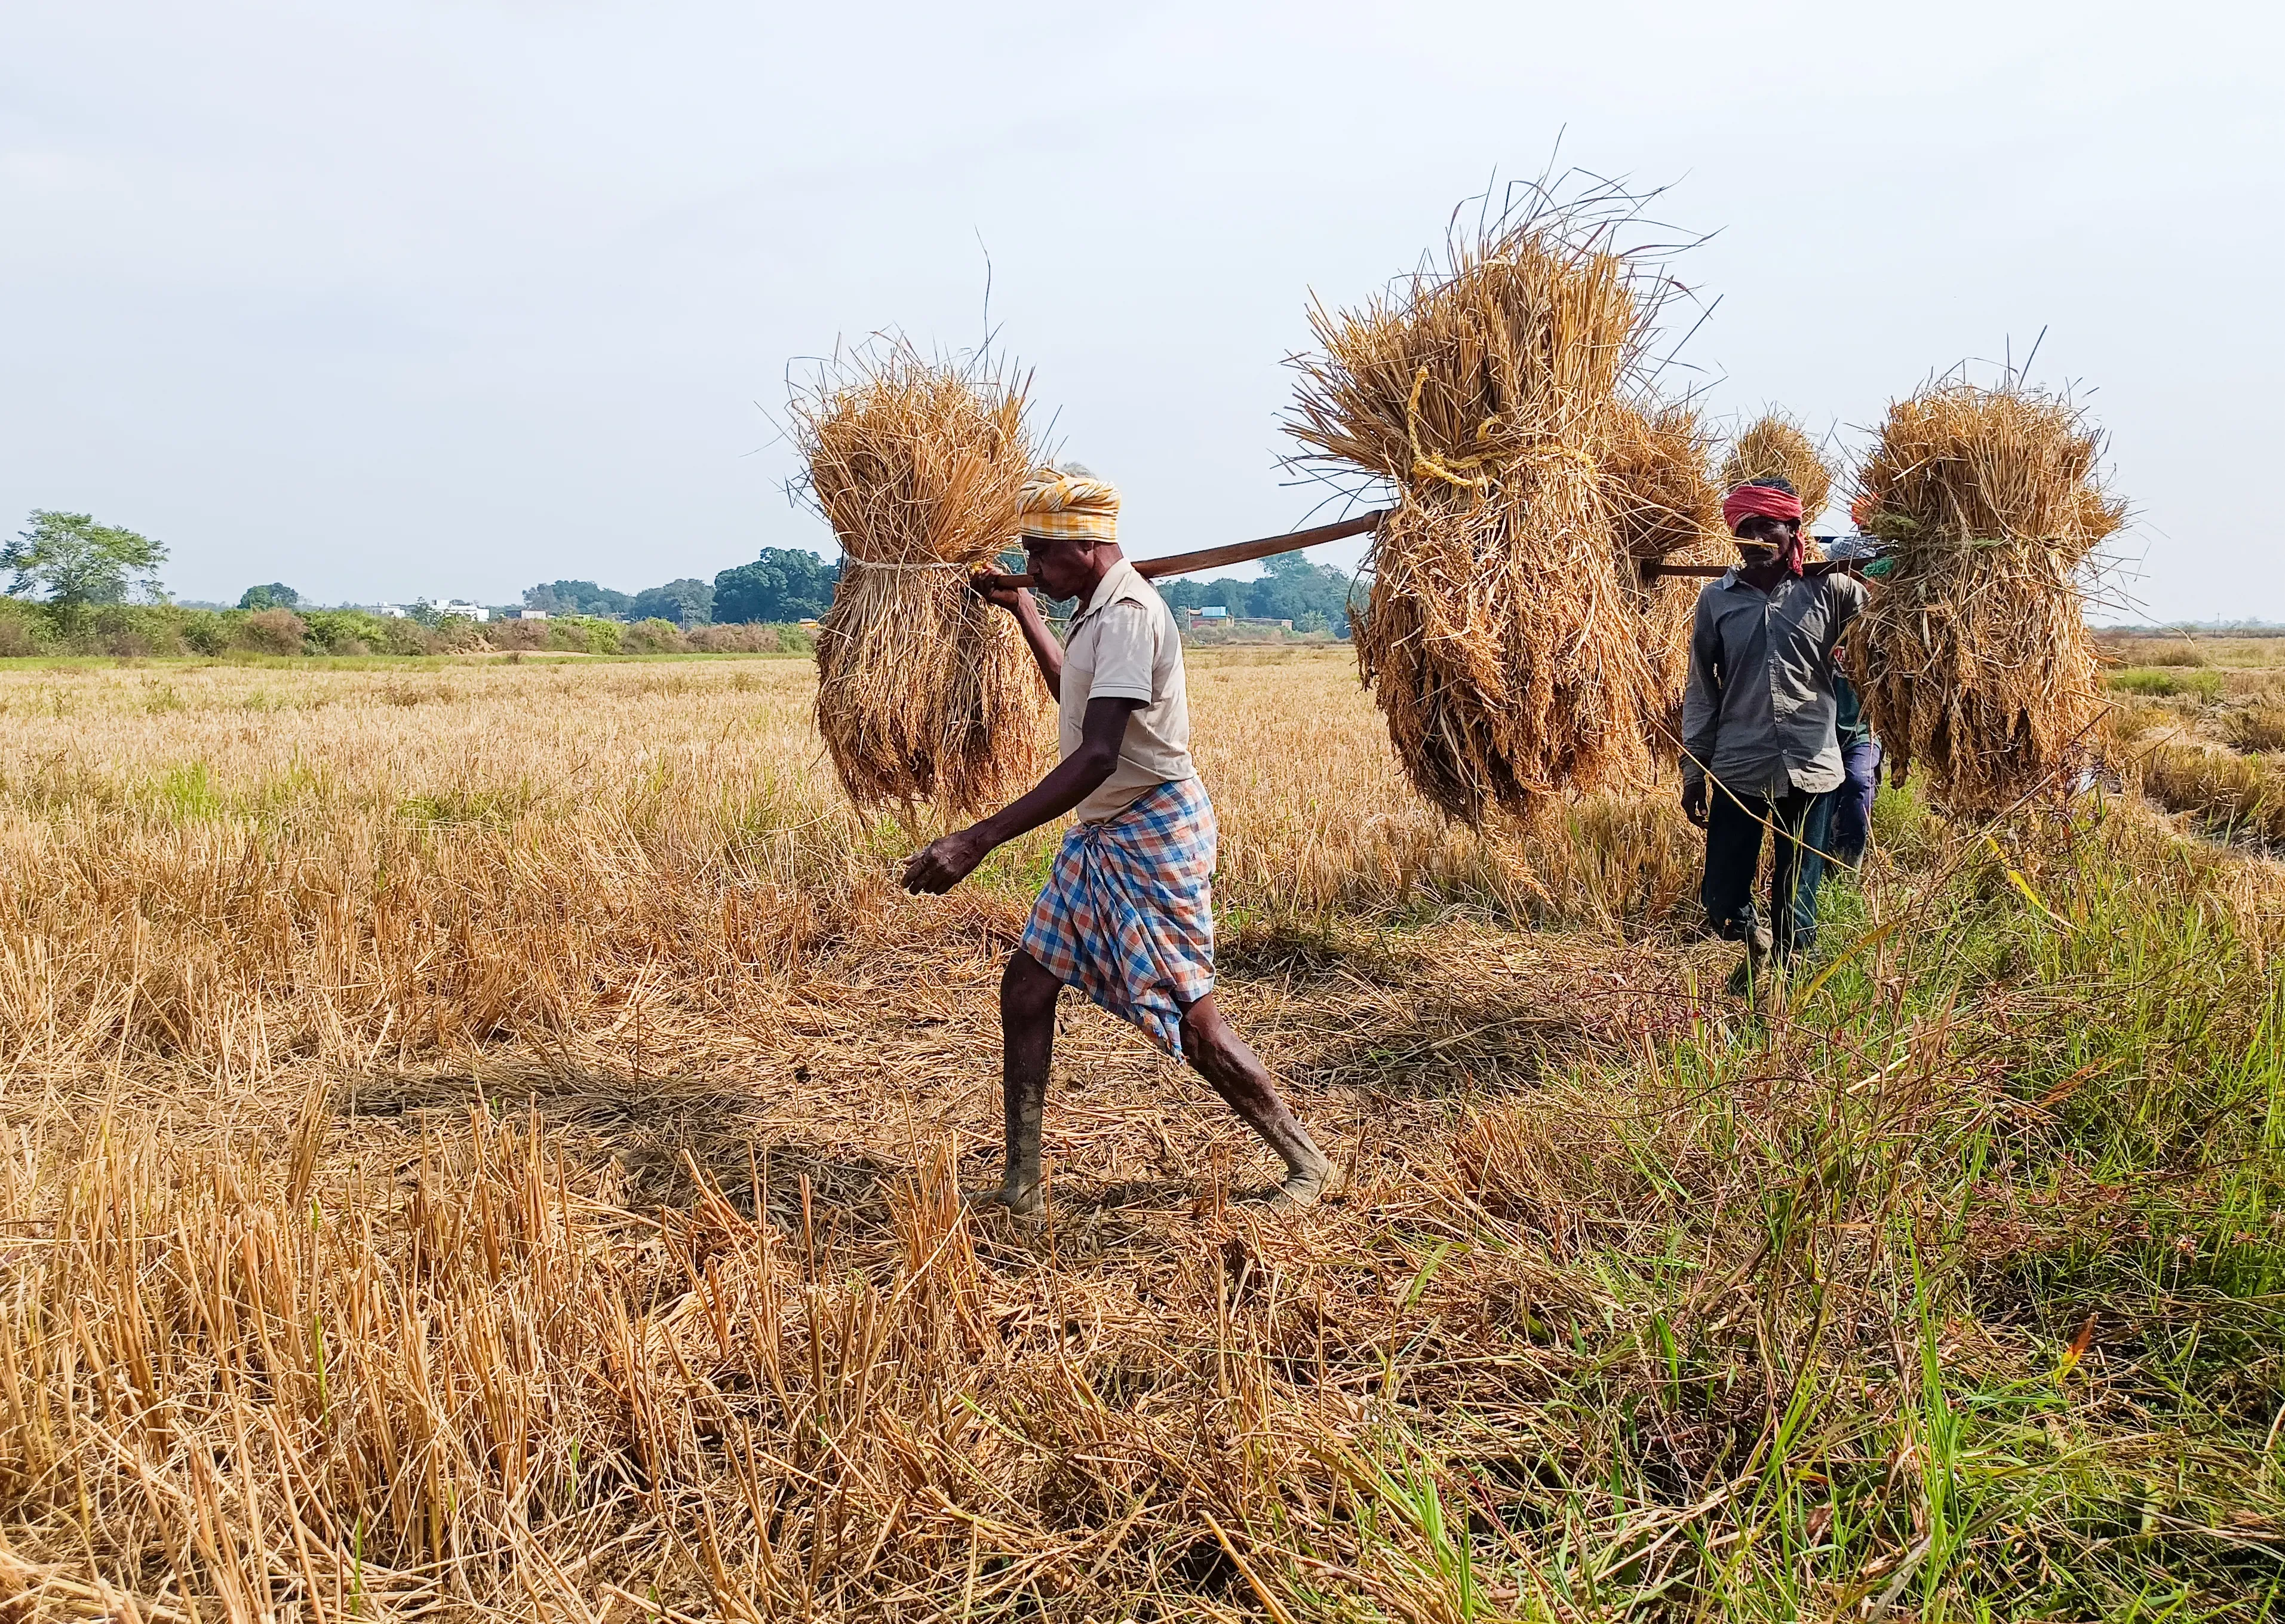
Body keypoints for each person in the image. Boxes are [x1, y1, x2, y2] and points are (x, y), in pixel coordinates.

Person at [900, 467, 1333, 1213]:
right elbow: (1079, 693)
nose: (1029, 566)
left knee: (1192, 1021)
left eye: (1039, 554)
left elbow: (1099, 751)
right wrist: (1027, 612)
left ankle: (1306, 1161)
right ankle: (1022, 1183)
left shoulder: (1130, 612)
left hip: (1150, 830)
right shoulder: (1097, 607)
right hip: (1104, 831)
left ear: (1087, 548)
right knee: (1028, 986)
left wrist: (980, 839)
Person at [1679, 478, 1869, 982]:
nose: (1757, 536)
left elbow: (1884, 636)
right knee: (1721, 896)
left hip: (1812, 764)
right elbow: (1701, 689)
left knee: (1796, 895)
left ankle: (1783, 995)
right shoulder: (1716, 601)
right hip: (1739, 766)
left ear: (1794, 529)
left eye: (1768, 526)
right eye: (1746, 529)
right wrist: (1692, 771)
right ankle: (1754, 939)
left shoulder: (1832, 589)